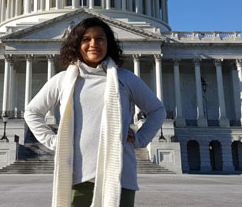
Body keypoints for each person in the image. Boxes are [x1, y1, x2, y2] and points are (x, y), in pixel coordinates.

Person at [24, 17, 166, 207]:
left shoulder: (126, 79)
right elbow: (32, 112)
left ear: (108, 44)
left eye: (100, 39)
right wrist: (54, 141)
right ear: (76, 44)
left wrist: (141, 138)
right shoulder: (62, 80)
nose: (93, 44)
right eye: (86, 39)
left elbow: (157, 110)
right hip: (77, 177)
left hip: (119, 177)